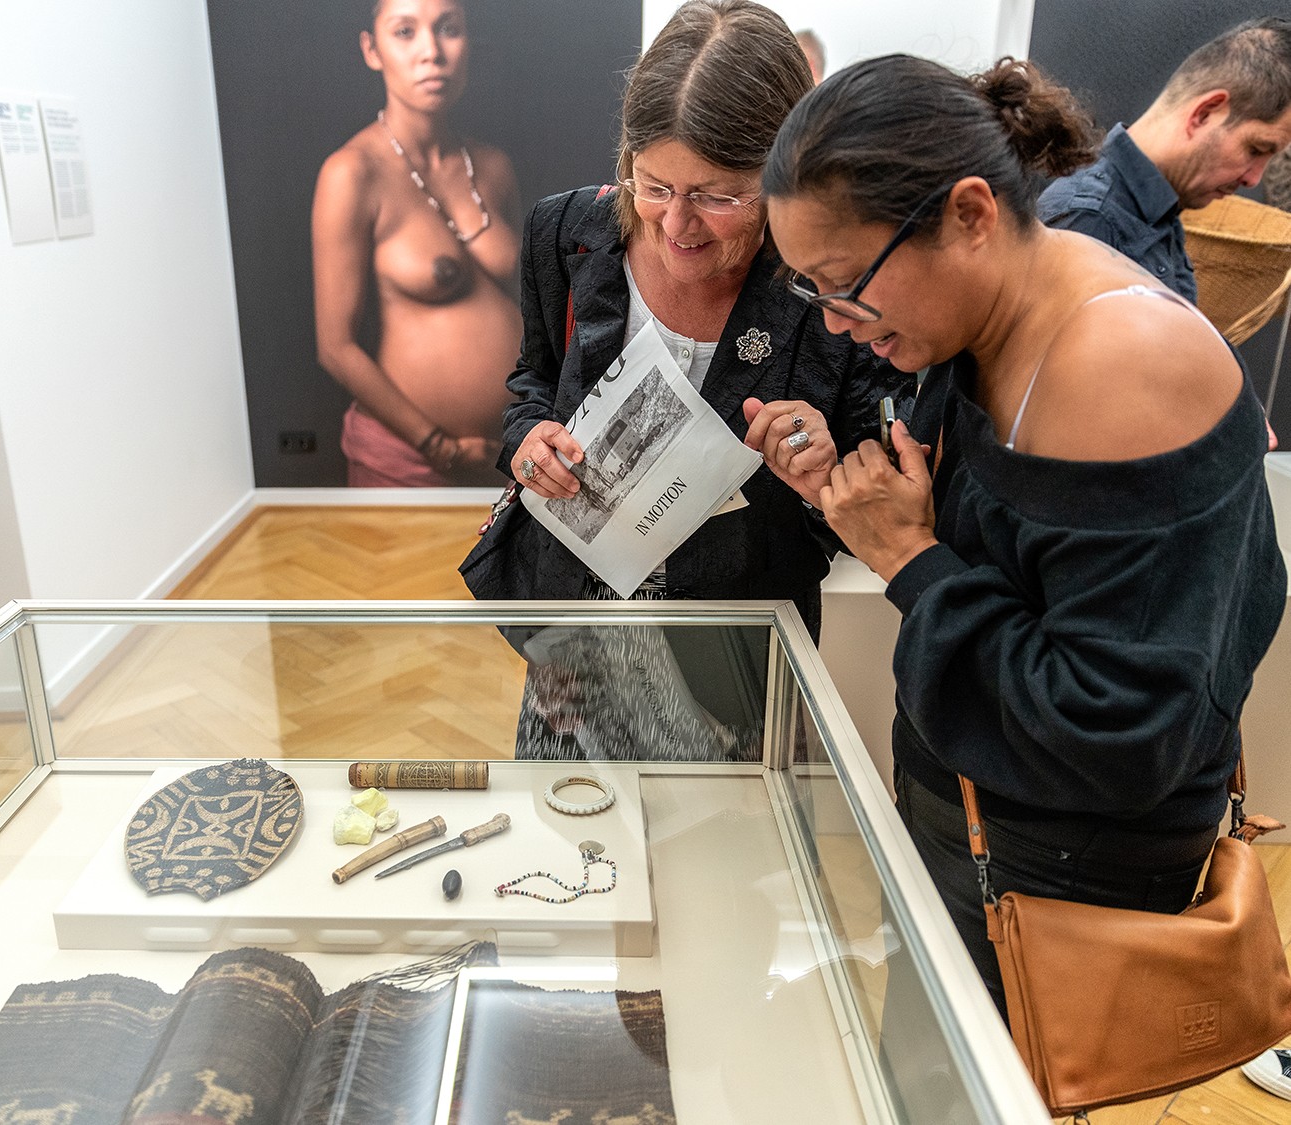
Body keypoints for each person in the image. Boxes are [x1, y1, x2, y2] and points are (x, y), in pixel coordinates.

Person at [757, 53, 1286, 1014]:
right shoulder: (986, 321)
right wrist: (861, 491)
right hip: (984, 821)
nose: (836, 327)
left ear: (969, 214)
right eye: (814, 293)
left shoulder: (1119, 366)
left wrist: (911, 560)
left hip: (1065, 872)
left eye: (846, 286)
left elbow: (1114, 729)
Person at [464, 0, 908, 759]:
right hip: (581, 629)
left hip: (737, 647)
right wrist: (527, 441)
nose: (677, 224)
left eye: (715, 195)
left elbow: (872, 489)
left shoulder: (827, 283)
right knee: (579, 846)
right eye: (655, 186)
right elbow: (531, 381)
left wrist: (821, 467)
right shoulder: (567, 235)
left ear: (780, 174)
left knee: (732, 863)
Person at [312, 0, 522, 486]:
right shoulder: (351, 173)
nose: (431, 51)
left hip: (510, 457)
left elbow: (524, 307)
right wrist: (437, 445)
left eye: (448, 29)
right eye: (405, 32)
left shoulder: (494, 168)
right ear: (372, 49)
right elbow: (336, 346)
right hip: (408, 460)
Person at [1038, 17, 1291, 303]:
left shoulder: (1157, 210)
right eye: (1256, 149)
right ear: (1205, 113)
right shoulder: (1090, 220)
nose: (1254, 178)